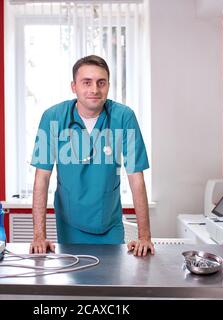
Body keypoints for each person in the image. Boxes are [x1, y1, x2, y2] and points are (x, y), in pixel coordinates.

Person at [29, 55, 154, 257]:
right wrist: (38, 236)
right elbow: (41, 178)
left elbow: (136, 178)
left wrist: (145, 236)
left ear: (108, 86)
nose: (94, 89)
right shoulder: (52, 117)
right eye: (86, 82)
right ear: (73, 86)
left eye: (101, 83)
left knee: (111, 283)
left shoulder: (123, 117)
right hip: (69, 225)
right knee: (75, 283)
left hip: (109, 224)